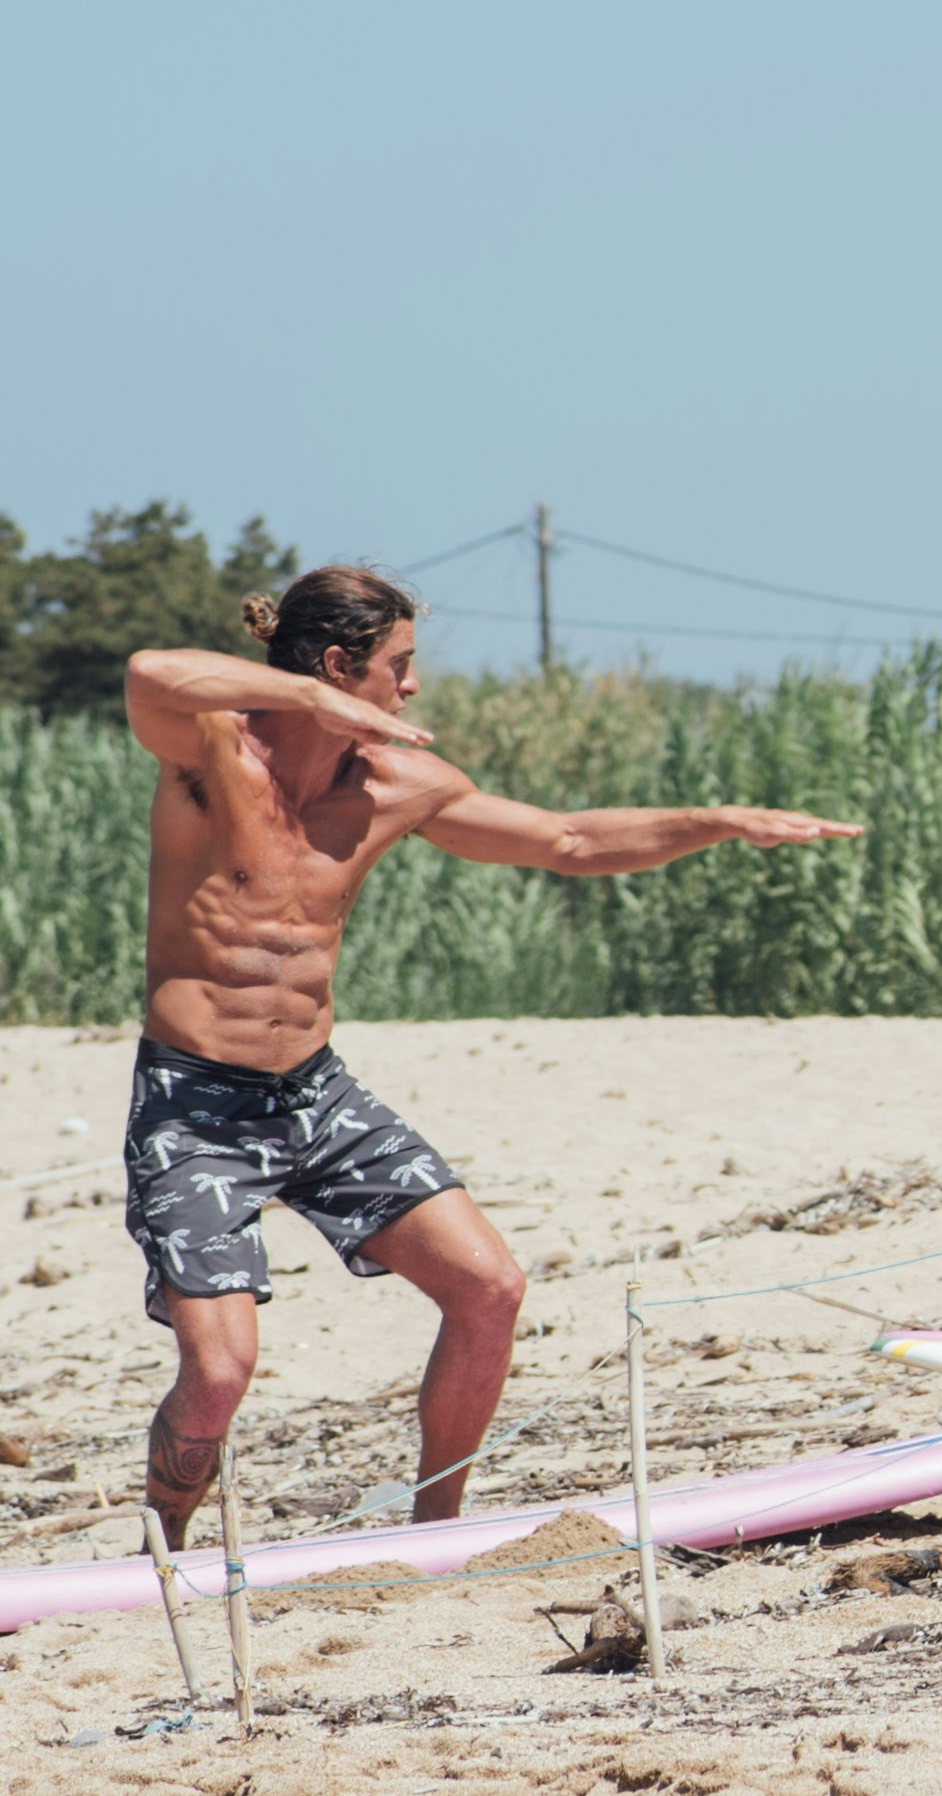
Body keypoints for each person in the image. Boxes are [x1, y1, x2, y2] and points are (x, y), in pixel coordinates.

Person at [123, 567, 862, 1557]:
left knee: (489, 1289)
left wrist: (715, 821)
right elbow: (148, 669)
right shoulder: (210, 751)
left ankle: (435, 1534)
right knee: (217, 1376)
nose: (412, 688)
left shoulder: (398, 785)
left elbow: (566, 839)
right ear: (340, 666)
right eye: (399, 665)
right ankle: (163, 1545)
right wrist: (302, 695)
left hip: (312, 1091)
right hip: (193, 1104)